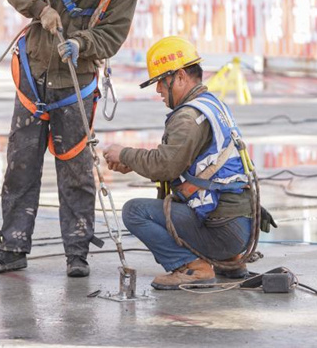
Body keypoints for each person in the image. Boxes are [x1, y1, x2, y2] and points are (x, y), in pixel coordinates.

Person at [0, 0, 142, 278]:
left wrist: (83, 44)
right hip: (34, 78)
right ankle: (13, 247)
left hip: (75, 85)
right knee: (21, 166)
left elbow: (113, 35)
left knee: (77, 172)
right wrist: (38, 8)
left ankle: (77, 252)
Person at [102, 36, 274, 290]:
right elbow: (189, 165)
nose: (158, 90)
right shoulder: (212, 105)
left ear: (180, 76)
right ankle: (230, 259)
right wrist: (135, 164)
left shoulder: (188, 117)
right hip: (240, 225)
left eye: (161, 82)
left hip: (224, 228)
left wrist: (124, 154)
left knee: (134, 211)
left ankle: (194, 267)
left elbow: (166, 165)